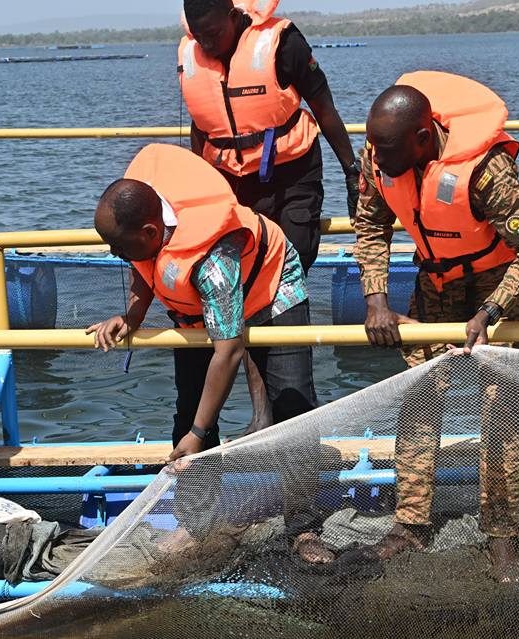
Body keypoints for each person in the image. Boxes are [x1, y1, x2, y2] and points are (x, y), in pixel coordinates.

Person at [86, 143, 332, 564]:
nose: (115, 254)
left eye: (119, 247)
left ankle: (304, 528)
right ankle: (197, 524)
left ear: (151, 233)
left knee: (292, 406)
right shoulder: (145, 229)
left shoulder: (212, 259)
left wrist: (199, 434)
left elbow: (229, 351)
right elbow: (144, 266)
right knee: (189, 409)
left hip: (271, 288)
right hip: (197, 308)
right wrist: (132, 315)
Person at [353, 71, 519, 580]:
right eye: (374, 146)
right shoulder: (378, 156)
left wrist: (491, 311)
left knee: (501, 410)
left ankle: (502, 535)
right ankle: (411, 524)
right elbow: (371, 225)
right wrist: (376, 300)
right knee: (420, 398)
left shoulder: (485, 171)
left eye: (388, 148)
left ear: (423, 138)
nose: (377, 158)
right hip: (436, 285)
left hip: (498, 285)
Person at [178, 0, 359, 431]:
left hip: (293, 176)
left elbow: (324, 106)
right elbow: (203, 124)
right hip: (232, 181)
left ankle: (286, 405)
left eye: (213, 35)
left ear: (233, 16)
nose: (206, 44)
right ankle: (260, 404)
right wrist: (197, 192)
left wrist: (352, 173)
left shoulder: (283, 42)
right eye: (199, 37)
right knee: (239, 279)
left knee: (285, 272)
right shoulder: (192, 54)